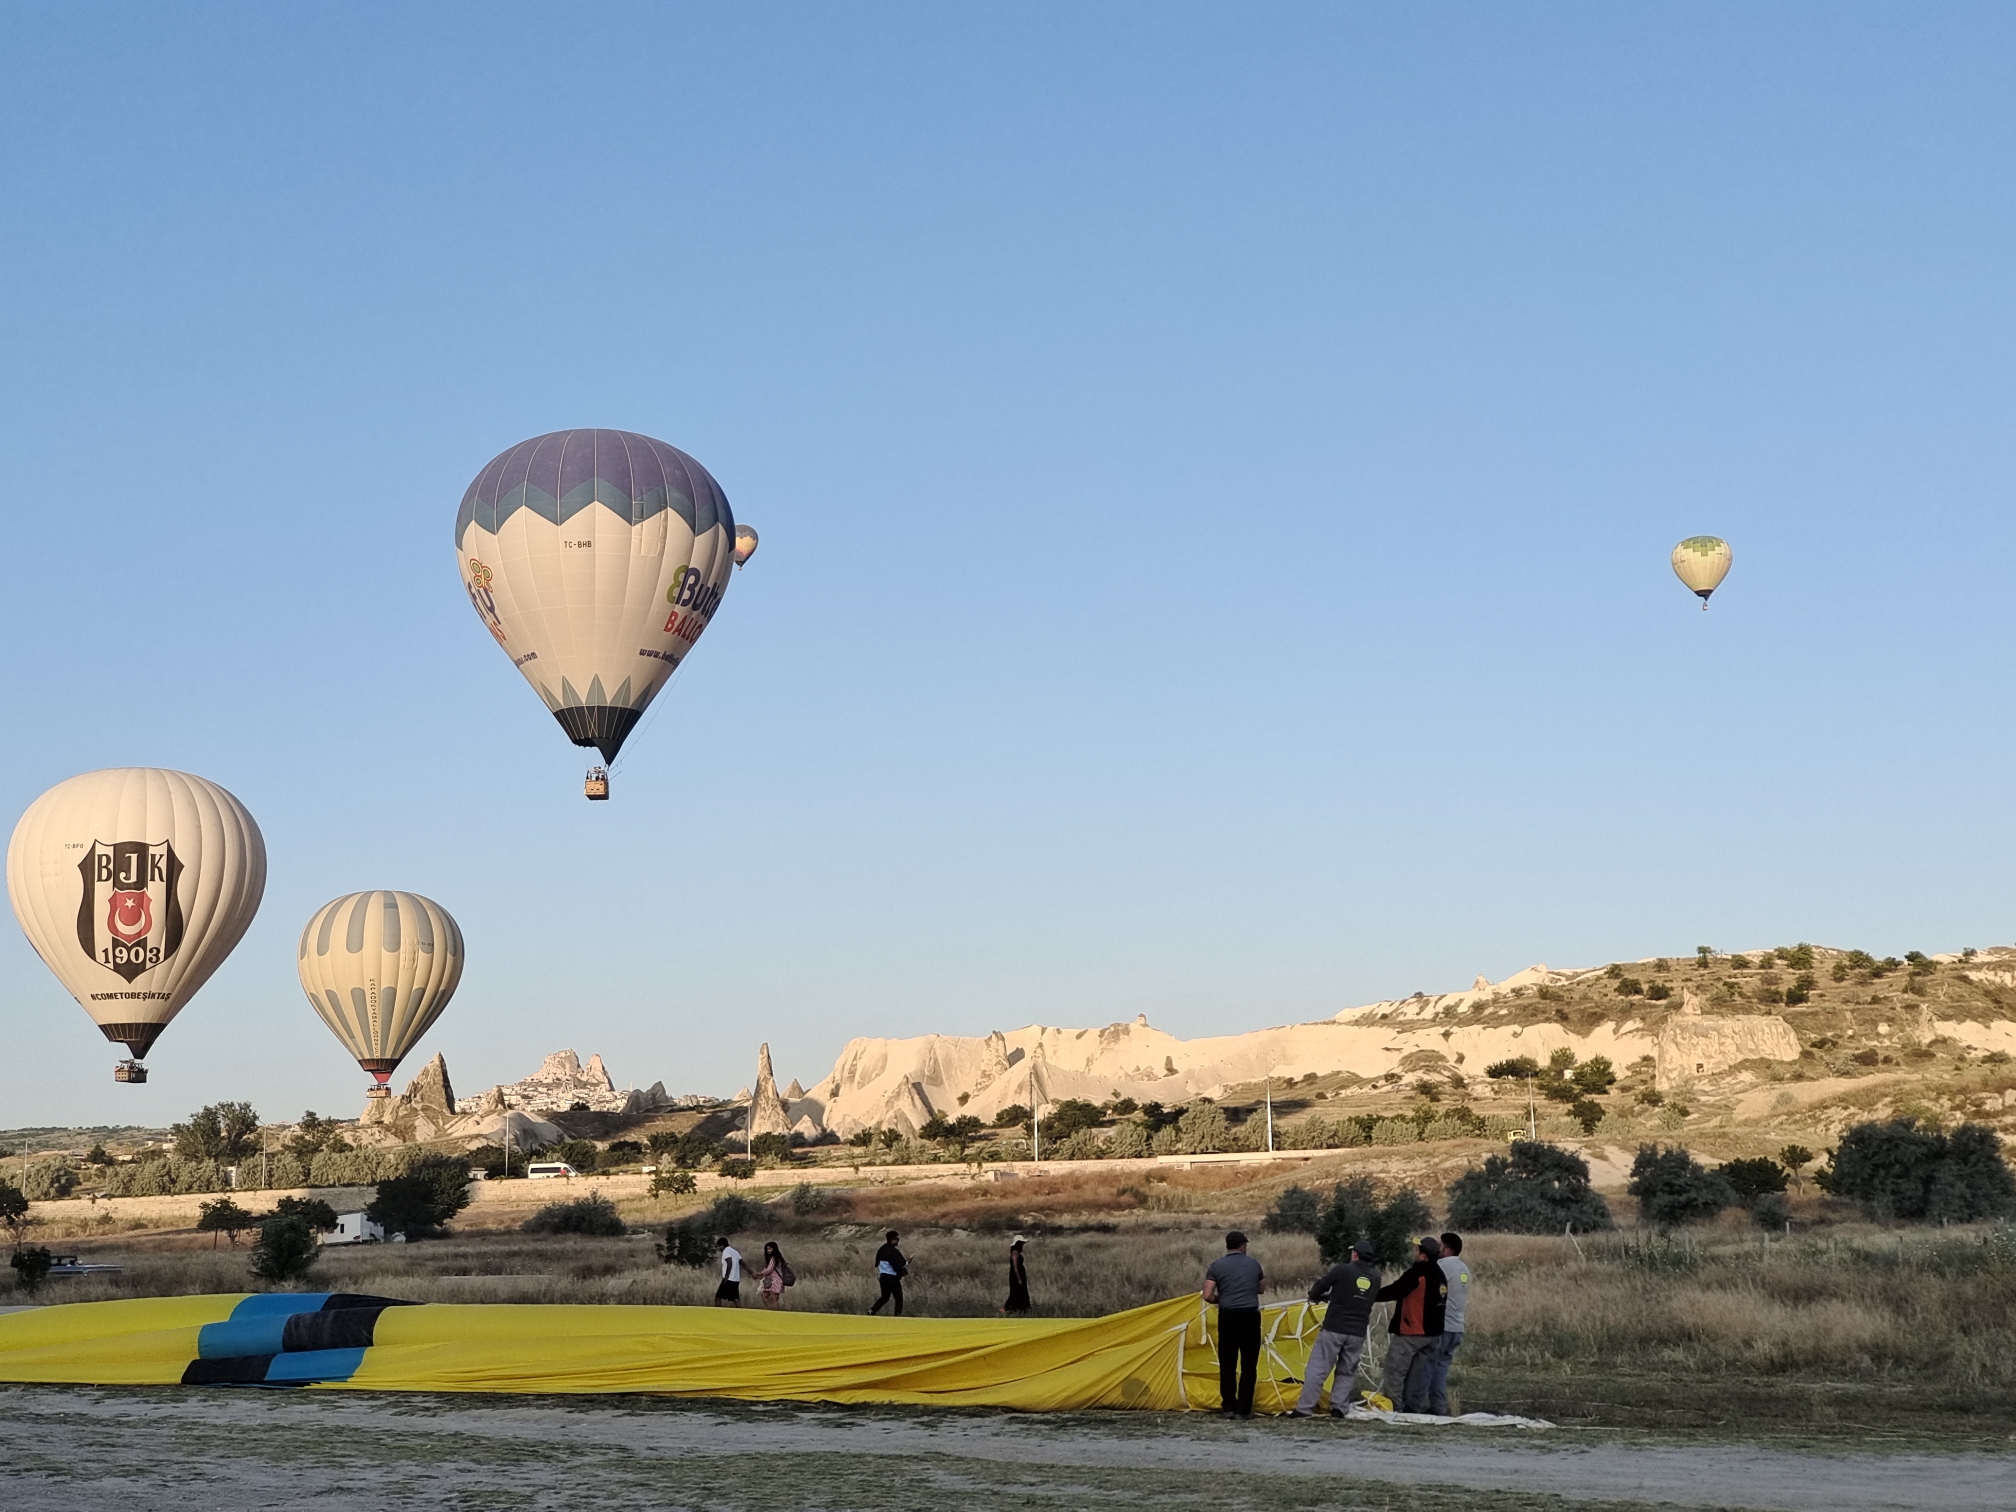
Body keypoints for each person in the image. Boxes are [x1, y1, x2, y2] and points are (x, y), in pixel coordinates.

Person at [1290, 1237, 1382, 1417]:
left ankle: (1304, 1409)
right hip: (1357, 1332)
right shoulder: (1376, 1277)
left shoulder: (1342, 1270)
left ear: (1355, 1254)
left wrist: (1315, 1296)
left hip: (1334, 1328)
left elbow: (1320, 1286)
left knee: (1317, 1369)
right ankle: (1339, 1408)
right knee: (1346, 1372)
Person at [1374, 1236, 1447, 1411]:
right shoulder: (1440, 1274)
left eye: (1417, 1250)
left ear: (1423, 1256)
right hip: (1433, 1335)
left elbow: (1395, 1290)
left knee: (1395, 1371)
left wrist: (1370, 1296)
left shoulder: (1418, 1273)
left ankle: (1394, 1407)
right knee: (1416, 1375)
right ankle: (1411, 1407)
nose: (1414, 1252)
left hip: (1412, 1333)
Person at [1202, 1230, 1265, 1417]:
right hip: (1250, 1317)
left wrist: (1220, 1299)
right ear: (1243, 1246)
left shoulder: (1216, 1266)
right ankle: (1244, 1410)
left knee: (1227, 1363)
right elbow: (1261, 1289)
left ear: (1227, 1246)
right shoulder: (1254, 1264)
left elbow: (1207, 1295)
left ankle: (1228, 1407)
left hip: (1228, 1317)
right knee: (1248, 1364)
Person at [1422, 1231, 1469, 1415]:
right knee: (1441, 1369)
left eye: (1440, 1246)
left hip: (1442, 1326)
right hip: (1457, 1327)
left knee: (1428, 1367)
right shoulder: (1464, 1269)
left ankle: (1417, 1405)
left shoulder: (1442, 1266)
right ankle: (1438, 1407)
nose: (1437, 1250)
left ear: (1447, 1250)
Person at [869, 1230, 908, 1315]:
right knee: (899, 1298)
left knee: (885, 1297)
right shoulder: (893, 1251)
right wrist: (907, 1263)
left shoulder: (882, 1250)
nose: (898, 1241)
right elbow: (899, 1265)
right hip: (892, 1278)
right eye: (896, 1239)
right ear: (892, 1239)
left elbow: (877, 1264)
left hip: (883, 1277)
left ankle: (872, 1311)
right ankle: (897, 1316)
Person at [1003, 1235, 1031, 1315]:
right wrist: (1019, 1278)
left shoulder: (1016, 1252)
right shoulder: (1015, 1253)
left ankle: (1020, 1310)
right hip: (1016, 1276)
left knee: (1019, 1292)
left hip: (1018, 1274)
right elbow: (1015, 1267)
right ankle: (1006, 1309)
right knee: (1017, 1292)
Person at [758, 1240, 789, 1311]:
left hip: (775, 1280)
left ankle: (774, 1312)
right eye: (767, 1249)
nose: (768, 1250)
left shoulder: (774, 1258)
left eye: (770, 1249)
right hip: (771, 1281)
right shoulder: (777, 1258)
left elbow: (769, 1269)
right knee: (765, 1296)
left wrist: (761, 1273)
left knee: (773, 1298)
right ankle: (770, 1309)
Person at [714, 1236, 743, 1307]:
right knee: (735, 1298)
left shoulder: (726, 1251)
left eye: (719, 1246)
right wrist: (751, 1272)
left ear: (722, 1245)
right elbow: (743, 1263)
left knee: (718, 1297)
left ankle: (718, 1314)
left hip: (729, 1278)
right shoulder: (735, 1252)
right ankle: (742, 1313)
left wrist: (726, 1276)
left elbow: (729, 1263)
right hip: (736, 1279)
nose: (718, 1249)